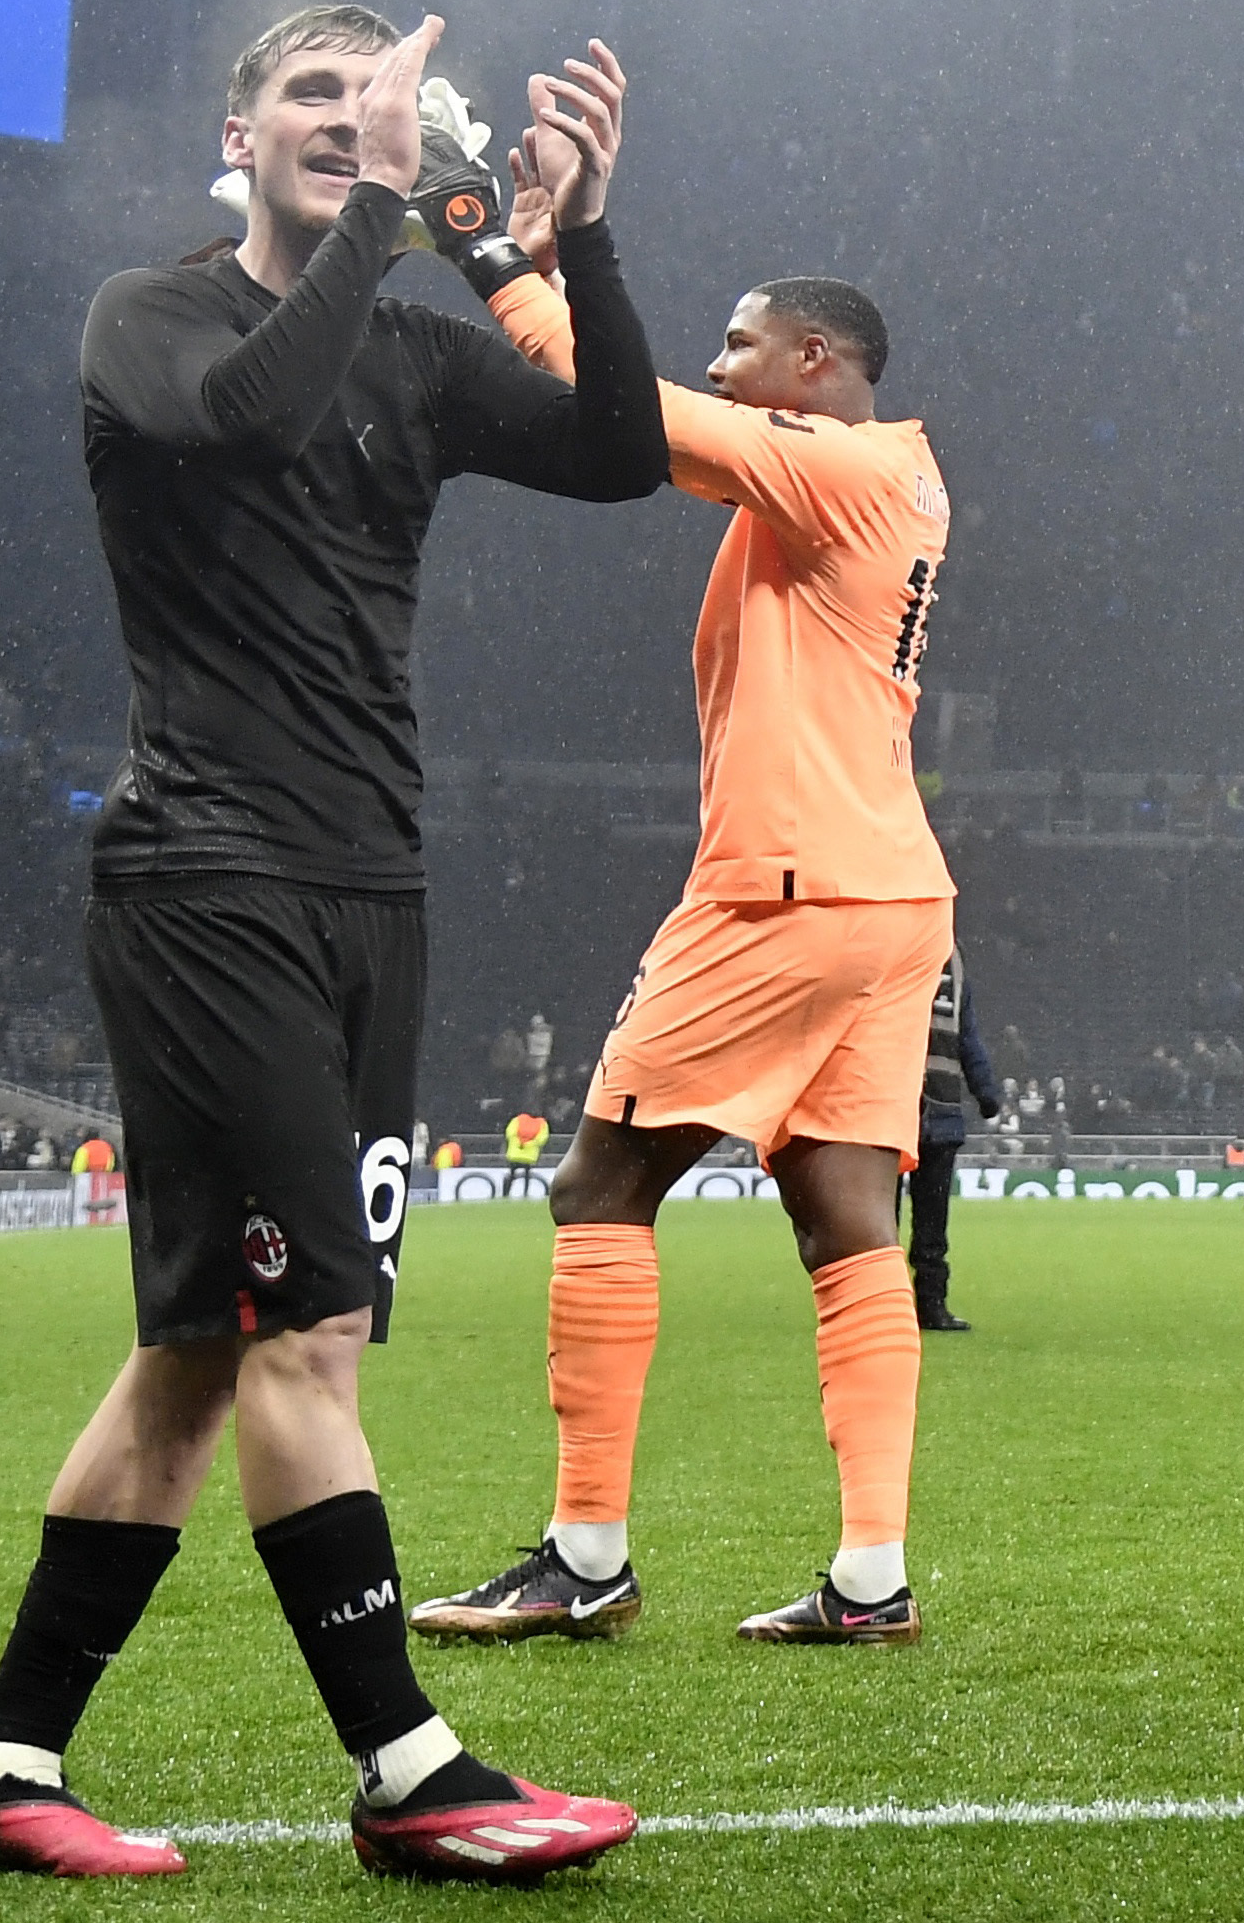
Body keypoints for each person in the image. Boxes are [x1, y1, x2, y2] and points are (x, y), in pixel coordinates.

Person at [0, 7, 664, 1883]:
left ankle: (3, 1772)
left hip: (368, 884)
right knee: (306, 1336)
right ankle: (411, 1768)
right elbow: (253, 412)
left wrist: (570, 245)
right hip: (207, 878)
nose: (352, 116)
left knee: (199, 1354)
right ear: (238, 130)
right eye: (315, 95)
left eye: (373, 95)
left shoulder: (417, 353)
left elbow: (618, 451)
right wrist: (395, 205)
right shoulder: (149, 320)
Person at [416, 218, 961, 1654]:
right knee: (846, 1221)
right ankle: (872, 1576)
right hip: (889, 891)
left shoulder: (838, 466)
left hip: (786, 885)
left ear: (813, 357)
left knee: (599, 1186)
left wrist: (484, 251)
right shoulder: (890, 474)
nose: (717, 367)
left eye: (739, 343)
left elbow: (629, 408)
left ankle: (584, 1555)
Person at [909, 959, 993, 1329]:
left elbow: (965, 1033)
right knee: (879, 1225)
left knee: (931, 1228)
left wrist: (985, 1090)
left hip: (938, 1114)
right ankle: (884, 1307)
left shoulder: (955, 963)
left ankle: (931, 1304)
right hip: (890, 1111)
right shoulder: (951, 961)